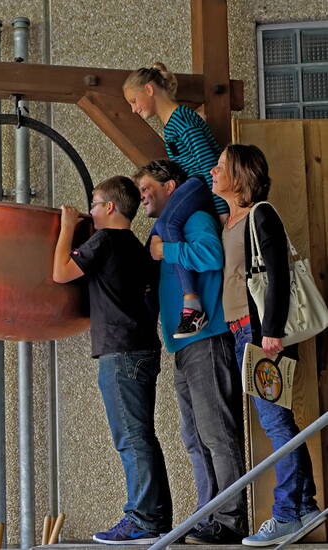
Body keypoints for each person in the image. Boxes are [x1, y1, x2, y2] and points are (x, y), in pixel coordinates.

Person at [211, 144, 323, 546]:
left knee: (276, 422)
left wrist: (270, 332)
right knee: (277, 421)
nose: (213, 170)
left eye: (221, 166)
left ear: (240, 175)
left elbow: (277, 276)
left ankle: (288, 513)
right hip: (242, 332)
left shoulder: (261, 214)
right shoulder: (229, 219)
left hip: (261, 335)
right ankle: (305, 505)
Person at [134, 159, 248, 544]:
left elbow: (213, 256)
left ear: (171, 187)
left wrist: (168, 252)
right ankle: (207, 515)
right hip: (184, 347)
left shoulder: (193, 218)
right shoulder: (167, 230)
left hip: (207, 340)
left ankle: (230, 520)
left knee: (216, 433)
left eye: (148, 187)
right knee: (194, 436)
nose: (142, 196)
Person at [53, 176, 169, 545]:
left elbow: (60, 274)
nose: (90, 210)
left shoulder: (103, 241)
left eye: (94, 203)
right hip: (143, 347)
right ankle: (155, 517)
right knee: (143, 436)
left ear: (110, 208)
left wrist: (67, 228)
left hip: (120, 352)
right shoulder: (137, 247)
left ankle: (142, 519)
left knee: (131, 438)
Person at [124, 63, 226, 338]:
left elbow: (207, 165)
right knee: (159, 231)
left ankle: (192, 304)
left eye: (134, 101)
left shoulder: (181, 119)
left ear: (149, 89)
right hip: (196, 187)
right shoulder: (172, 127)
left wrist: (222, 211)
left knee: (167, 224)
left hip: (202, 186)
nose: (134, 109)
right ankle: (149, 295)